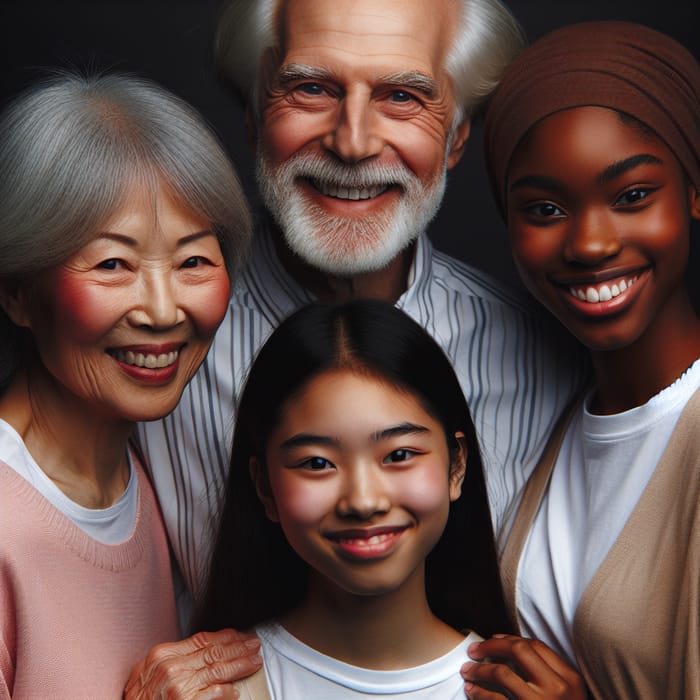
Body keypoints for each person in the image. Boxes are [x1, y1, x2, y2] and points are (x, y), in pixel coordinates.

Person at [128, 0, 586, 694]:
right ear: (254, 117)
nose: (352, 142)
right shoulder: (152, 353)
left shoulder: (547, 357)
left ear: (457, 137)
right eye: (311, 88)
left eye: (403, 96)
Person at [0, 71, 257, 698]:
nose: (165, 311)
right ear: (16, 292)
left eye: (194, 259)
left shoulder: (153, 480)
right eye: (113, 263)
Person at [467, 21, 700, 698]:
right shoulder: (564, 417)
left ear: (693, 191)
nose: (591, 243)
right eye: (545, 208)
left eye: (631, 197)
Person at [194, 299, 585, 699]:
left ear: (456, 467)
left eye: (399, 455)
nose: (363, 501)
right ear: (263, 486)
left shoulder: (515, 692)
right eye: (317, 463)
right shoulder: (216, 690)